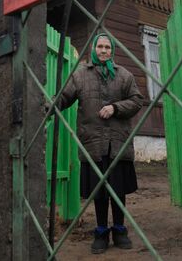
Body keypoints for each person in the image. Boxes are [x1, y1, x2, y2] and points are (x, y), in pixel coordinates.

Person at [58, 33, 144, 254]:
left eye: (107, 47)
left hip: (117, 142)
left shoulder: (124, 75)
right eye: (100, 47)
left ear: (112, 50)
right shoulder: (80, 76)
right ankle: (101, 232)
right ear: (93, 48)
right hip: (93, 142)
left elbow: (137, 101)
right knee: (99, 191)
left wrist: (115, 108)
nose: (104, 51)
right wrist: (49, 104)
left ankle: (119, 229)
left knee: (118, 190)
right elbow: (64, 98)